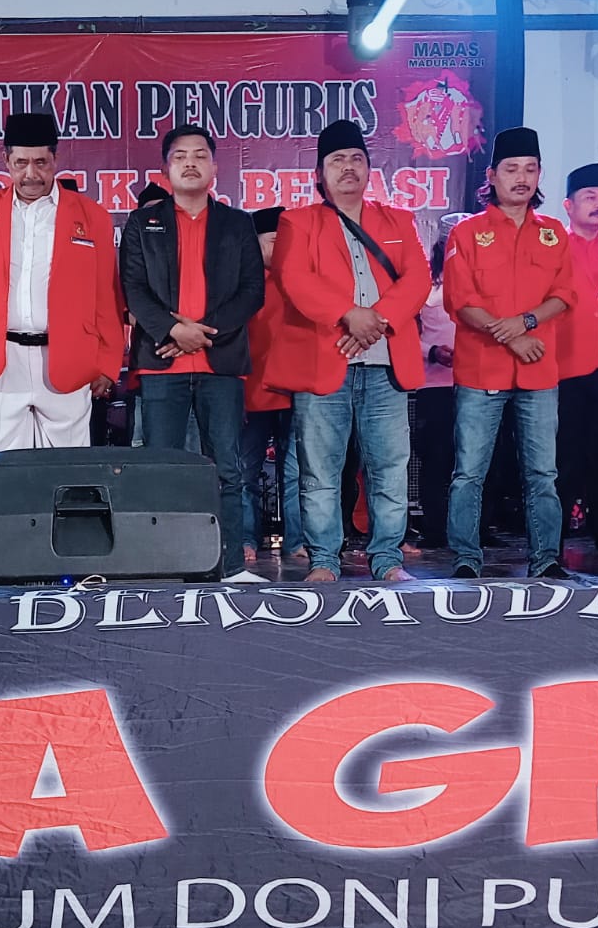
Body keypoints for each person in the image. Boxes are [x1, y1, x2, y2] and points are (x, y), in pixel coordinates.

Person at [270, 119, 431, 583]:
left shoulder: (398, 220)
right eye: (337, 160)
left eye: (357, 159)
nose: (348, 168)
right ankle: (324, 560)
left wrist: (373, 320)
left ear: (368, 169)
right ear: (319, 174)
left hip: (385, 364)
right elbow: (295, 280)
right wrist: (349, 315)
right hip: (325, 362)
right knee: (320, 471)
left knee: (390, 468)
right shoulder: (298, 222)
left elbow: (417, 279)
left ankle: (388, 560)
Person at [121, 125, 265, 582]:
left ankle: (231, 566)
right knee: (163, 470)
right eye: (180, 156)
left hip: (220, 366)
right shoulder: (143, 223)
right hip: (161, 364)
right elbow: (133, 289)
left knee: (227, 469)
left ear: (214, 167)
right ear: (166, 168)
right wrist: (173, 330)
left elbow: (252, 291)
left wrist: (201, 335)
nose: (190, 163)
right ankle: (164, 565)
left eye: (200, 155)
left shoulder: (237, 223)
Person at [442, 127, 576, 580]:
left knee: (543, 474)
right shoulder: (467, 232)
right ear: (492, 176)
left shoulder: (554, 233)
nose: (522, 178)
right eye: (512, 169)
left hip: (539, 372)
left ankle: (546, 559)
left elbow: (565, 294)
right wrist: (513, 337)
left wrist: (527, 322)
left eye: (530, 169)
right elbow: (460, 300)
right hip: (482, 370)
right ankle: (466, 558)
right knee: (469, 473)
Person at [0, 112, 124, 452]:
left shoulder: (93, 216)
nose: (31, 174)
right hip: (0, 360)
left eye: (41, 162)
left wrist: (107, 363)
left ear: (55, 159)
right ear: (6, 161)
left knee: (67, 469)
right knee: (1, 469)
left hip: (69, 359)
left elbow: (106, 295)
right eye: (21, 163)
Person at [556, 162, 598, 555]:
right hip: (564, 365)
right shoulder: (553, 247)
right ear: (568, 205)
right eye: (590, 197)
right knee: (564, 456)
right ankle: (553, 536)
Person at [239, 206, 305, 563]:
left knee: (296, 473)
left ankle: (297, 541)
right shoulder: (243, 284)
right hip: (252, 391)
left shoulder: (299, 281)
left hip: (295, 391)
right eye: (272, 241)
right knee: (244, 472)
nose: (279, 248)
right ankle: (245, 539)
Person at [411, 231, 458, 549]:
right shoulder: (424, 287)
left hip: (478, 382)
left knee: (476, 461)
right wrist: (432, 352)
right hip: (435, 384)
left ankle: (476, 527)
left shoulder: (481, 283)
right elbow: (403, 334)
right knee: (436, 460)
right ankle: (435, 529)